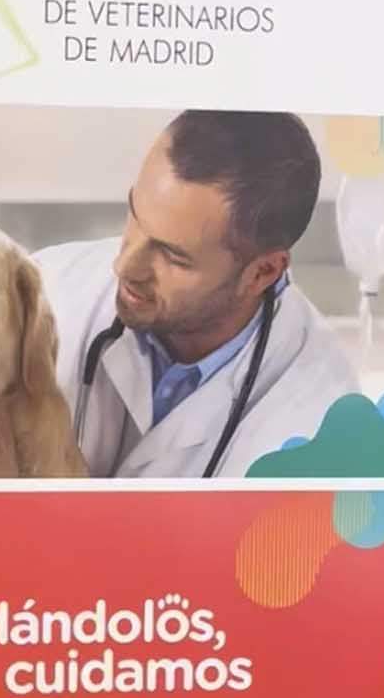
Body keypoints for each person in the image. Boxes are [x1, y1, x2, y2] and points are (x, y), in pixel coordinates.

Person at [36, 109, 360, 478]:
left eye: (173, 256)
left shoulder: (320, 422)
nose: (125, 266)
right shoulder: (46, 290)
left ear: (262, 272)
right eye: (134, 216)